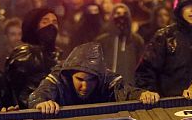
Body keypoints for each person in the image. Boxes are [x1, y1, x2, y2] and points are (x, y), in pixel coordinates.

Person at [29, 41, 159, 114]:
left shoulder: (107, 78)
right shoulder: (59, 77)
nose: (85, 86)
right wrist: (42, 103)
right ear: (70, 75)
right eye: (80, 80)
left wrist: (142, 94)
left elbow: (125, 90)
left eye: (91, 80)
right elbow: (40, 93)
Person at [4, 8, 63, 108]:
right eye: (45, 22)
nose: (51, 26)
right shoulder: (24, 54)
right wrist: (35, 103)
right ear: (34, 26)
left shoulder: (58, 54)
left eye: (54, 22)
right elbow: (13, 91)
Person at [95, 3, 146, 83]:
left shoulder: (137, 40)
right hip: (107, 86)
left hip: (130, 86)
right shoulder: (102, 40)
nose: (121, 16)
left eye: (125, 13)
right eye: (118, 13)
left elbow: (141, 66)